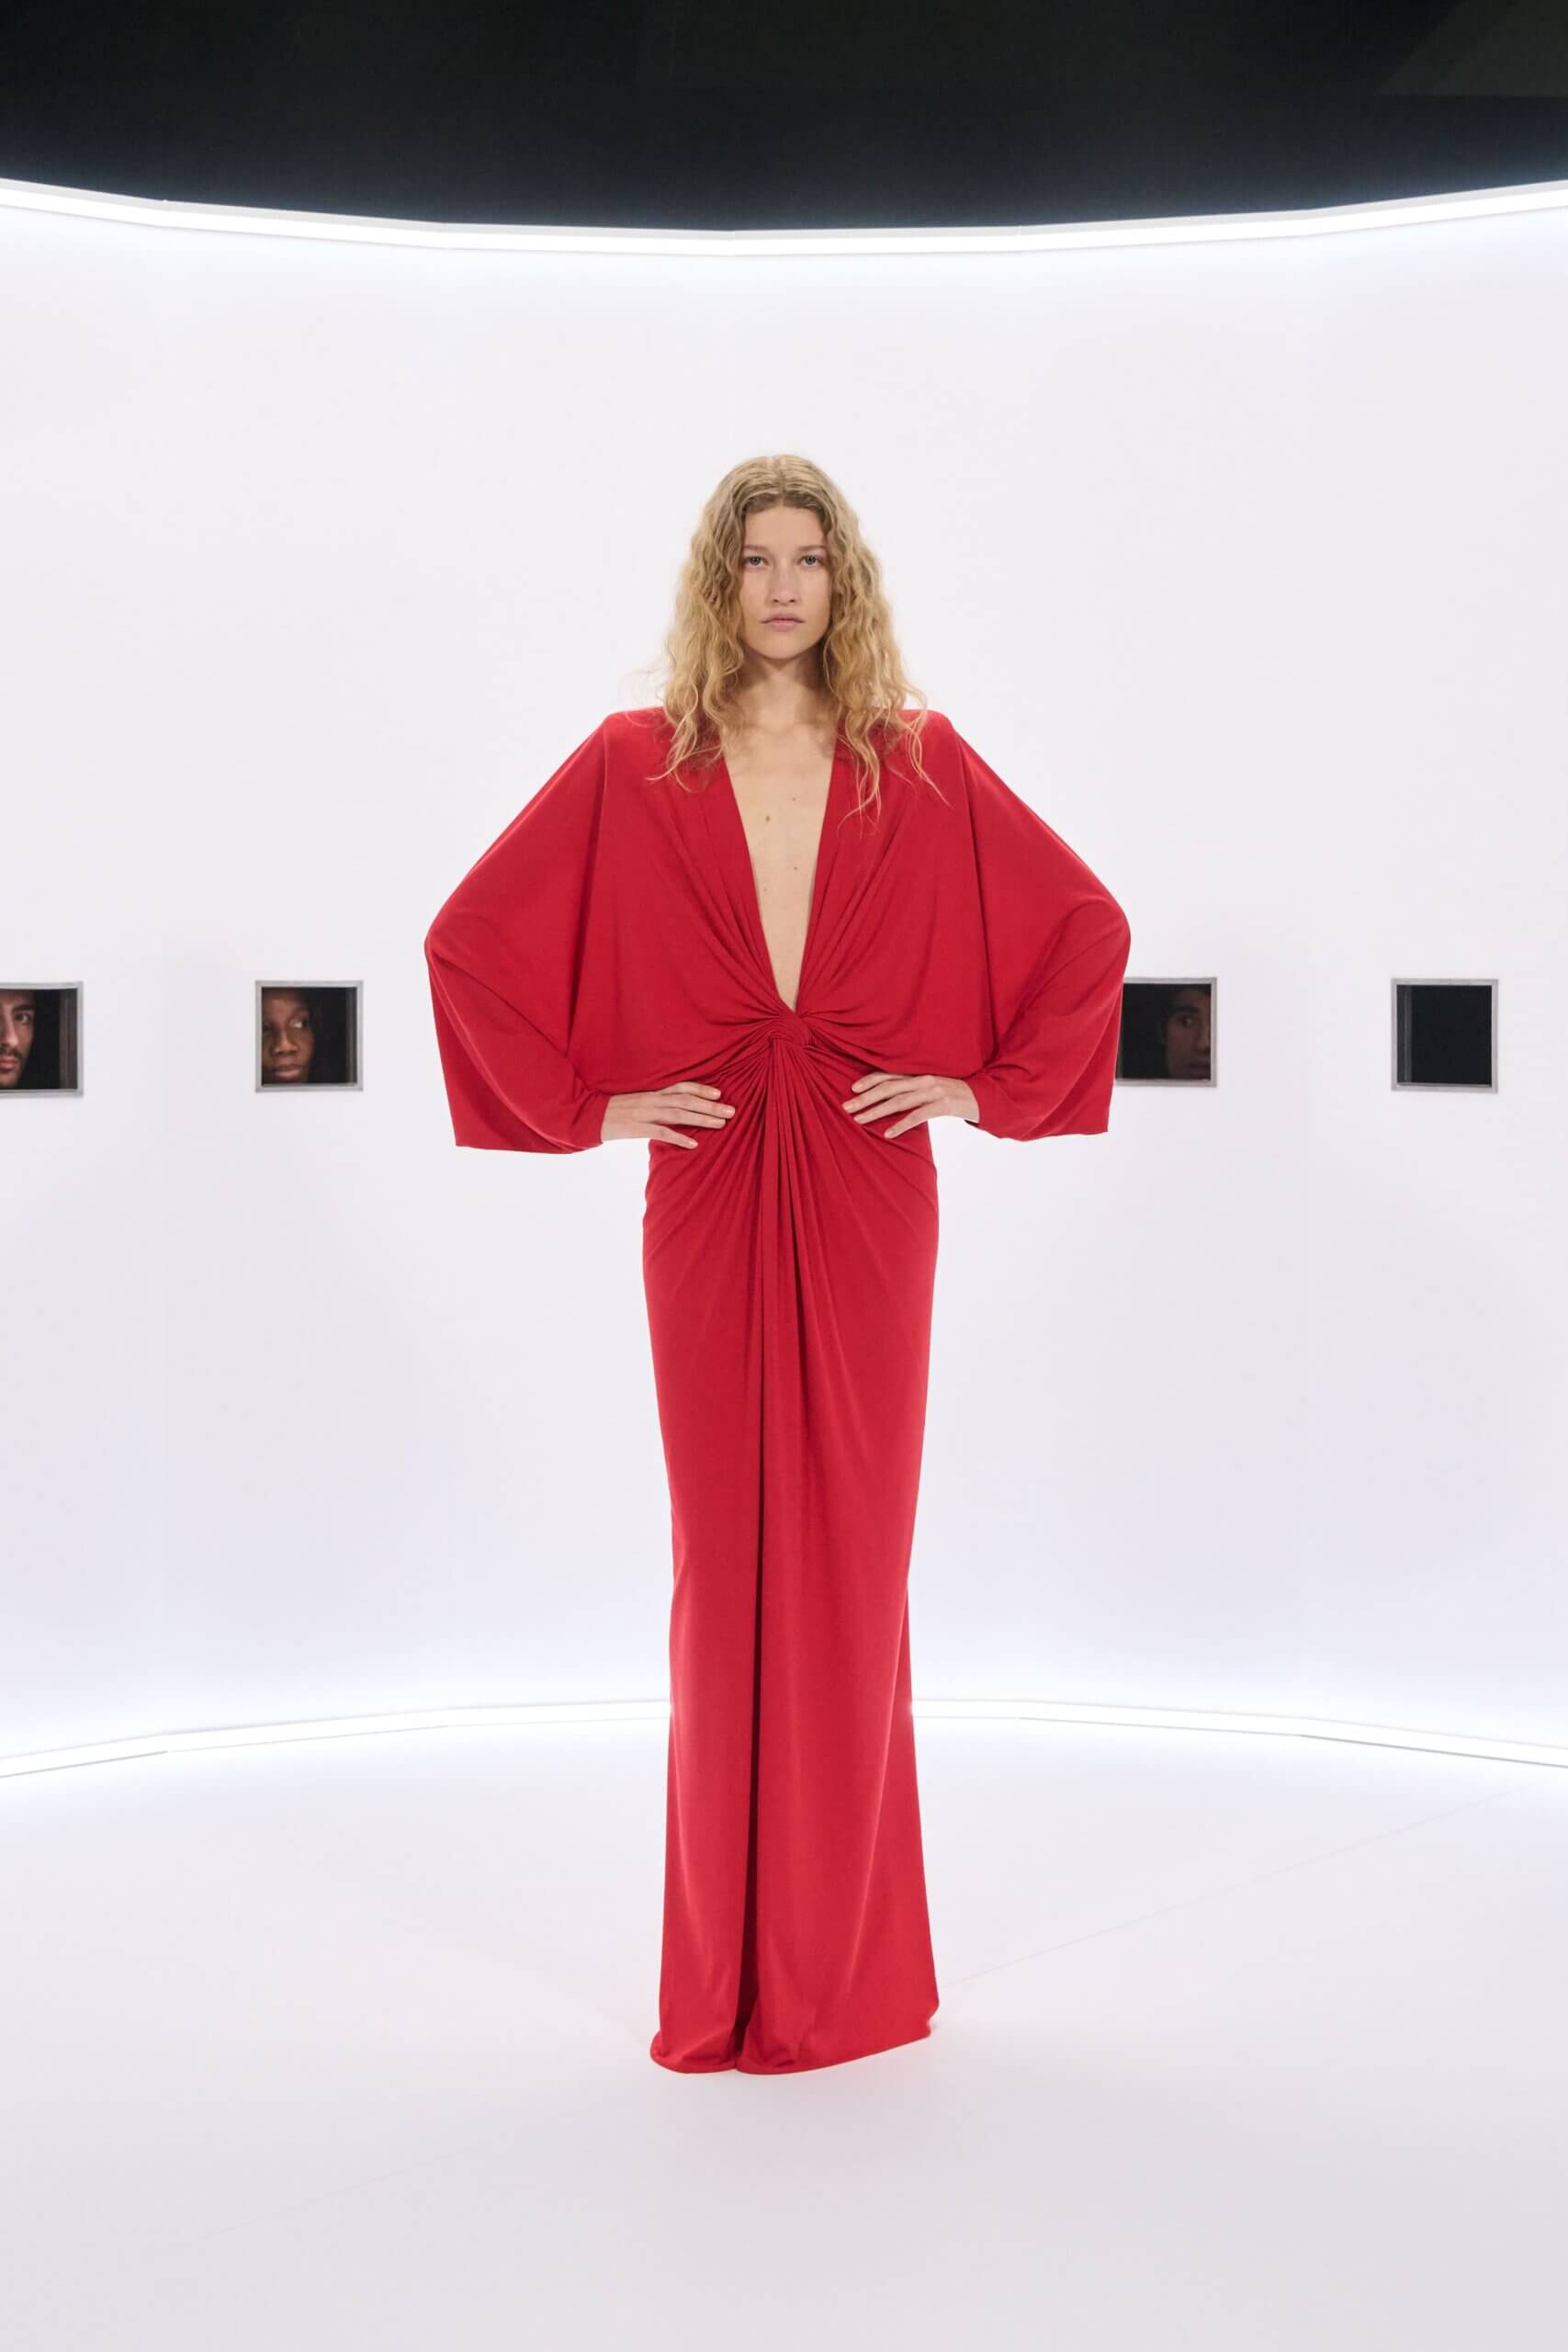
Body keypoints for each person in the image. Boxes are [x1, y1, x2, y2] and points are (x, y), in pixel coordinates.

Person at [424, 455, 1132, 2075]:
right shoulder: (634, 762)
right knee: (720, 1565)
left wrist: (980, 1088)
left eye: (811, 558)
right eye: (756, 560)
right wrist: (595, 1107)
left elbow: (1085, 927)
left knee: (858, 1567)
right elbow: (468, 943)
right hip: (709, 1183)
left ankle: (840, 1973)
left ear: (846, 579)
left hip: (873, 1187)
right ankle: (727, 1975)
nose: (786, 587)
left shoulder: (917, 760)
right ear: (717, 583)